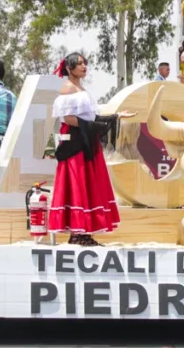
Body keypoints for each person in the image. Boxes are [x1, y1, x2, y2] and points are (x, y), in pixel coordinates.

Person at [48, 53, 135, 246]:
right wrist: (94, 128)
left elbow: (90, 116)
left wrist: (115, 116)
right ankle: (78, 233)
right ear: (69, 69)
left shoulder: (81, 88)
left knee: (88, 183)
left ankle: (82, 233)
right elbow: (68, 119)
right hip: (75, 141)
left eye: (84, 63)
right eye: (79, 64)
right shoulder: (68, 88)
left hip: (87, 138)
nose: (84, 66)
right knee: (77, 181)